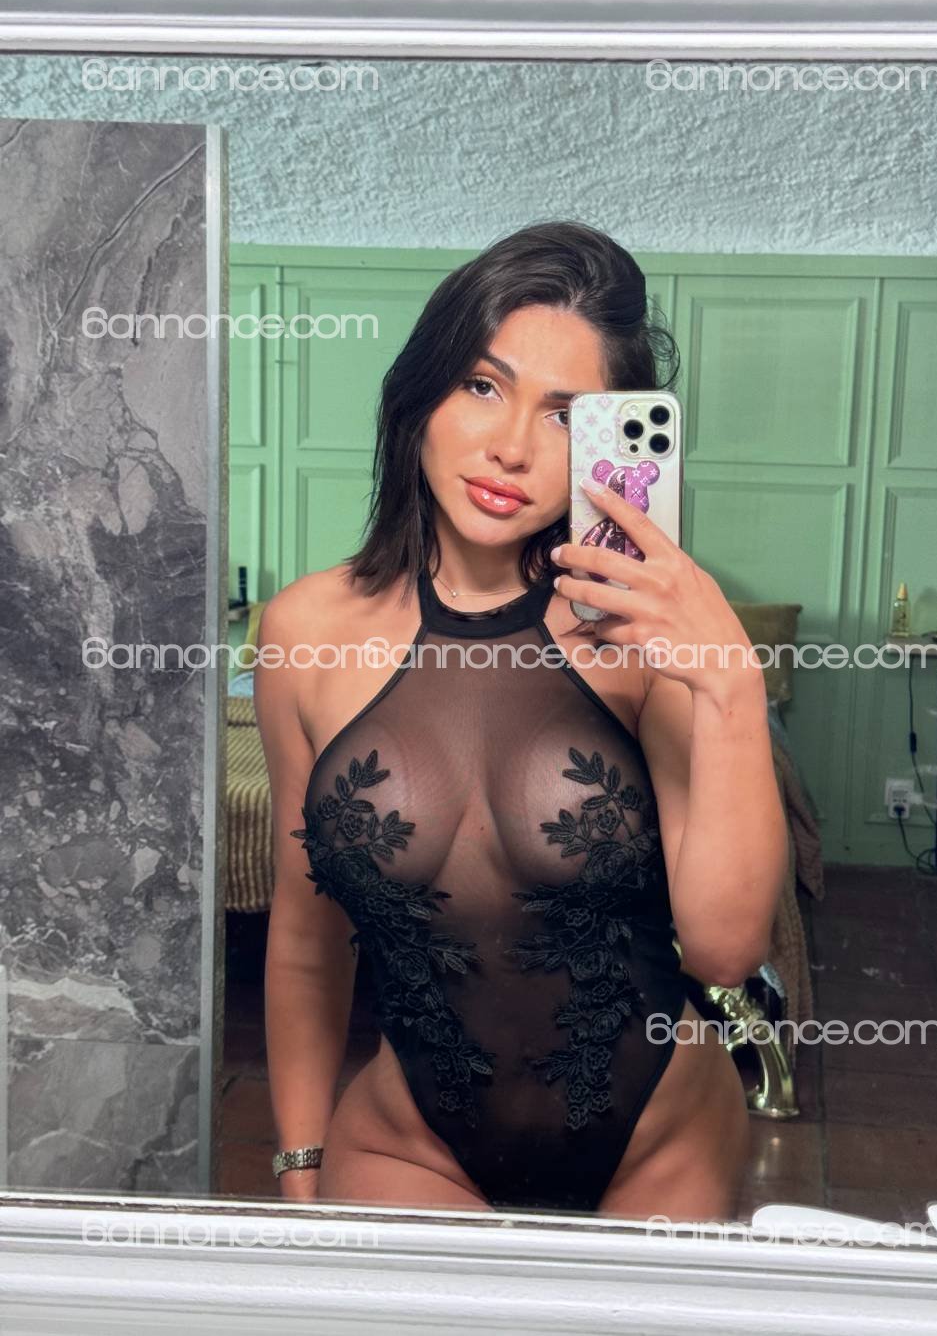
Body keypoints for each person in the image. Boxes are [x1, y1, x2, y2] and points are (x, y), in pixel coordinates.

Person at [254, 221, 788, 1219]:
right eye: (482, 385)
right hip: (414, 1146)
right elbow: (305, 935)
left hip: (658, 1138)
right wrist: (300, 1159)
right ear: (420, 393)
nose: (510, 446)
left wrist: (728, 681)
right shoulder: (302, 633)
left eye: (565, 415)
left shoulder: (643, 638)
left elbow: (723, 950)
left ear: (605, 442)